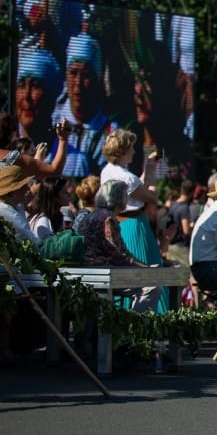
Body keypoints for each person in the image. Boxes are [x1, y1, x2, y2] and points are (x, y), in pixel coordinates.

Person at [51, 33, 119, 177]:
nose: (78, 83)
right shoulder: (52, 123)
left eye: (86, 75)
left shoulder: (110, 133)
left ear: (97, 79)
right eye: (73, 73)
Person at [100, 129, 162, 269]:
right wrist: (151, 174)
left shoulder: (107, 170)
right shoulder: (127, 177)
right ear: (122, 151)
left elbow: (134, 188)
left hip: (116, 223)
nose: (134, 152)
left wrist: (148, 168)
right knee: (146, 268)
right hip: (134, 226)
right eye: (131, 148)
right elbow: (151, 198)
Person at [15, 48, 63, 141]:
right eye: (21, 85)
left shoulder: (69, 155)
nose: (26, 96)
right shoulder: (5, 153)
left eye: (35, 86)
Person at [0, 165, 38, 243]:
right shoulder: (6, 212)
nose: (28, 189)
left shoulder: (17, 205)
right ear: (13, 191)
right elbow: (33, 242)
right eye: (23, 186)